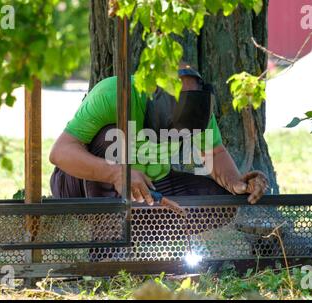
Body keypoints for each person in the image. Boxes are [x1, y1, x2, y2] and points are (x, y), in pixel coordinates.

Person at [49, 63, 269, 204]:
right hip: (78, 184)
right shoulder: (114, 93)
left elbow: (214, 153)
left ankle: (147, 236)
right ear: (155, 96)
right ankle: (108, 246)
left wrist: (236, 183)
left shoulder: (198, 110)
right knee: (111, 136)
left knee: (221, 202)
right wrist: (117, 174)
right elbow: (60, 152)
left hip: (150, 185)